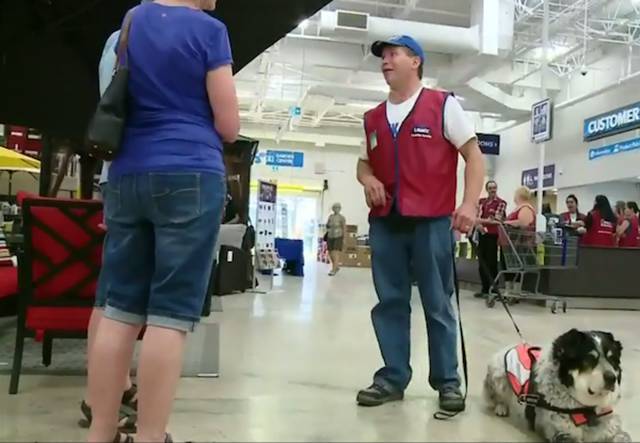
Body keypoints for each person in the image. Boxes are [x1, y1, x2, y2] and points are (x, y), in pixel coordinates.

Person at [87, 1, 239, 442]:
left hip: (128, 174)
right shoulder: (210, 31)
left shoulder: (131, 23)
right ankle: (151, 435)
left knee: (118, 312)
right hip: (189, 173)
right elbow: (228, 124)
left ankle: (100, 432)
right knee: (168, 317)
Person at [355, 35, 484, 413]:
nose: (385, 61)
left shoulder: (442, 105)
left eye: (394, 54)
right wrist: (368, 180)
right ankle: (392, 378)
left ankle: (447, 382)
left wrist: (469, 204)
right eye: (382, 56)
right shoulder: (373, 118)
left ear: (416, 62)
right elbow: (363, 164)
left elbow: (473, 158)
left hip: (430, 223)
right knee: (390, 302)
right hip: (386, 223)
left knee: (437, 303)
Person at [474, 180, 506, 298]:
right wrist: (482, 222)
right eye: (490, 188)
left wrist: (480, 221)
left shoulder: (501, 203)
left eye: (494, 188)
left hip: (493, 236)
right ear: (487, 189)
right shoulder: (482, 202)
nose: (493, 190)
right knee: (482, 262)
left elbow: (497, 220)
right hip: (481, 234)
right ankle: (484, 288)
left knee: (492, 262)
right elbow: (475, 216)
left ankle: (494, 289)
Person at [325, 203, 346, 276]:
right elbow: (327, 225)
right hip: (330, 236)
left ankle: (333, 269)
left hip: (338, 236)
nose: (336, 209)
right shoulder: (330, 217)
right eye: (335, 207)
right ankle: (336, 266)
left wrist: (344, 238)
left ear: (340, 209)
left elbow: (344, 228)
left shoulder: (342, 218)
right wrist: (328, 226)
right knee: (330, 252)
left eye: (338, 207)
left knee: (335, 253)